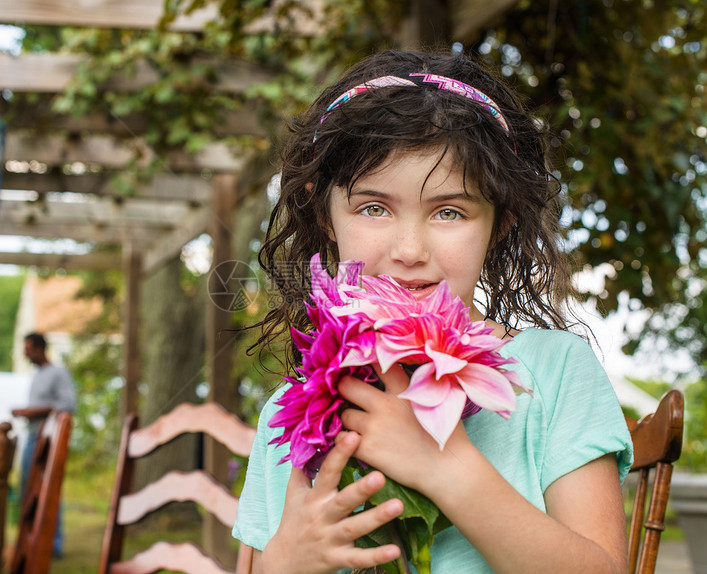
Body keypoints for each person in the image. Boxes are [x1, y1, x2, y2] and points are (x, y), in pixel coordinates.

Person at [232, 49, 634, 574]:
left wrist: (449, 469)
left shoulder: (556, 373)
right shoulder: (295, 408)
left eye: (449, 211)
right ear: (324, 214)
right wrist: (289, 559)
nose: (409, 249)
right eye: (373, 208)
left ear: (502, 221)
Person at [11, 332, 76, 558]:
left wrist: (30, 412)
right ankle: (32, 539)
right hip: (32, 439)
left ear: (39, 348)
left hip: (47, 441)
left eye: (28, 349)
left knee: (48, 489)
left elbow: (67, 404)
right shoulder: (37, 375)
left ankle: (53, 544)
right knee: (30, 491)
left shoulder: (57, 373)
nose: (25, 353)